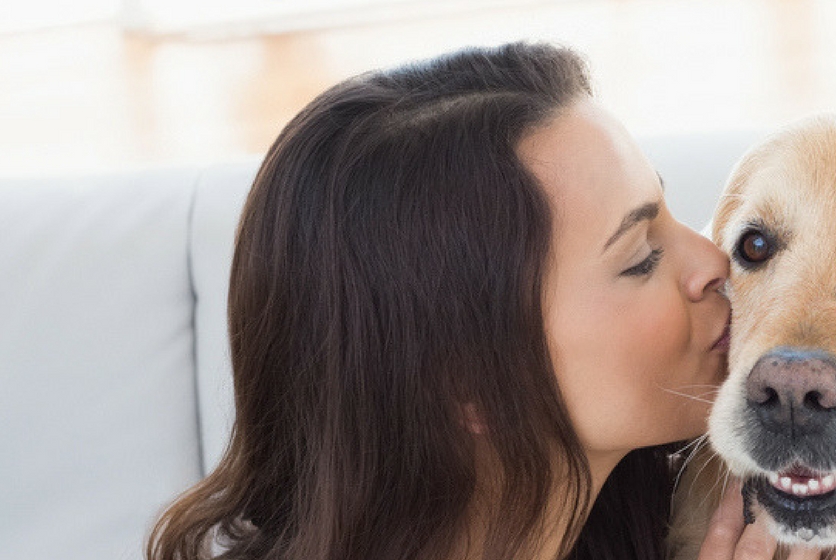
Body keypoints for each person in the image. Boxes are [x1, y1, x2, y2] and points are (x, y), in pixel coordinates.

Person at [148, 42, 735, 560]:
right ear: (468, 384)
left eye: (670, 209)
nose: (715, 262)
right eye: (640, 257)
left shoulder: (712, 516)